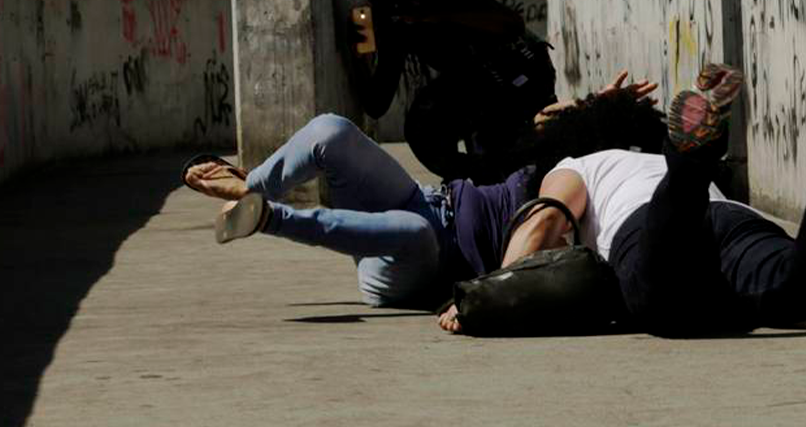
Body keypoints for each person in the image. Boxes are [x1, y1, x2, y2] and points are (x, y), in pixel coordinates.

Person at [438, 66, 806, 336]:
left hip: (649, 227)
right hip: (730, 218)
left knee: (664, 303)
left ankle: (695, 158)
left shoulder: (578, 165)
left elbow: (547, 219)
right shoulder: (642, 159)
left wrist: (486, 296)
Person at [183, 72, 663, 310]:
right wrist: (589, 107)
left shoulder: (590, 209)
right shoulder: (557, 164)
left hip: (417, 265)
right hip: (424, 199)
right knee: (331, 131)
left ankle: (269, 218)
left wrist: (478, 302)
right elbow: (521, 144)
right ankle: (253, 184)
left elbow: (537, 267)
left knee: (414, 232)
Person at [354, 0, 558, 185]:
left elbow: (511, 25)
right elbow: (377, 103)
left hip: (522, 73)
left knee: (520, 154)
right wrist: (362, 58)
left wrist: (437, 15)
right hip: (478, 85)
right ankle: (477, 180)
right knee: (426, 121)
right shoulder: (395, 20)